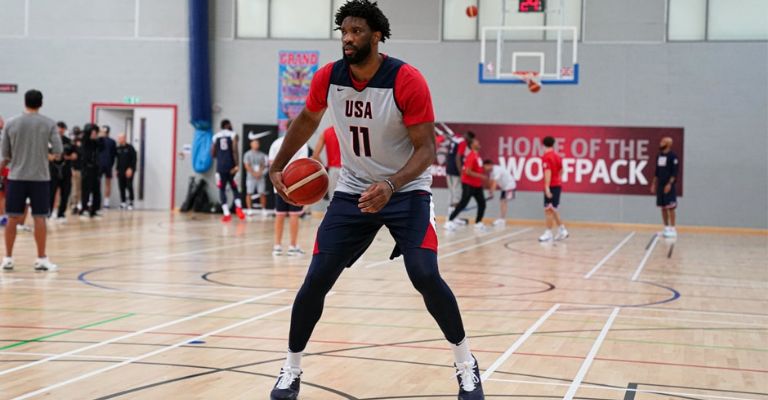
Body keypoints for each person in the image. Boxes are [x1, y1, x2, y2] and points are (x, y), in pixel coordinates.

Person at [267, 2, 483, 398]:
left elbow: (426, 150)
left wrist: (391, 185)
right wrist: (278, 164)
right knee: (315, 280)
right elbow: (308, 120)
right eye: (344, 31)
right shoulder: (328, 78)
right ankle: (291, 368)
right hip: (352, 189)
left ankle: (465, 363)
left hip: (407, 189)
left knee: (424, 275)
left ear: (377, 35)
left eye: (357, 31)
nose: (348, 39)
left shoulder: (406, 79)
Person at [0, 89, 62, 272]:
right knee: (39, 217)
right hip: (40, 178)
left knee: (12, 216)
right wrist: (45, 156)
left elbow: (5, 154)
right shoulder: (49, 124)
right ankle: (41, 258)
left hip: (16, 177)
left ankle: (8, 258)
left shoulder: (11, 123)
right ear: (41, 103)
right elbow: (58, 152)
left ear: (24, 102)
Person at [269, 125, 309, 256]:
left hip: (279, 185)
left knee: (279, 215)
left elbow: (271, 165)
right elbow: (302, 166)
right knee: (294, 215)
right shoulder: (302, 145)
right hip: (295, 186)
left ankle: (277, 246)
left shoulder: (276, 143)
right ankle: (292, 246)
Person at [444, 138, 488, 231]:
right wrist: (481, 176)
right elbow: (467, 171)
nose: (478, 142)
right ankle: (449, 221)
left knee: (482, 203)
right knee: (463, 203)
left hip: (477, 185)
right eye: (476, 141)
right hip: (469, 184)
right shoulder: (471, 156)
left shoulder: (477, 156)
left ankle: (478, 223)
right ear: (472, 145)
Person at [212, 119, 245, 222]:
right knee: (235, 188)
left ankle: (226, 213)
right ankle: (238, 208)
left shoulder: (215, 136)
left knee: (222, 189)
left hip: (220, 167)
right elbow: (235, 150)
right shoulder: (233, 135)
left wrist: (220, 155)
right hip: (231, 167)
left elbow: (212, 153)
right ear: (228, 125)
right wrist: (237, 165)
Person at [539, 136, 568, 242]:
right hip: (557, 185)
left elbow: (548, 172)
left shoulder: (546, 157)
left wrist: (547, 187)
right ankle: (562, 230)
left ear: (543, 144)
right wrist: (557, 179)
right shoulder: (557, 156)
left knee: (548, 210)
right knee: (554, 209)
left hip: (551, 186)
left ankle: (548, 233)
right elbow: (562, 170)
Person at [651, 136, 679, 238]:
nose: (660, 143)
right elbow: (657, 171)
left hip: (668, 185)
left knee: (670, 207)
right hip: (660, 185)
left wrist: (669, 184)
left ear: (668, 144)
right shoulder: (659, 156)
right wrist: (654, 183)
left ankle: (673, 228)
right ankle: (666, 228)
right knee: (663, 207)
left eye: (662, 142)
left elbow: (674, 172)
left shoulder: (673, 157)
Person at [49, 121, 76, 220]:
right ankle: (49, 213)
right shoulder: (49, 140)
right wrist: (52, 157)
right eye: (58, 128)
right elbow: (44, 154)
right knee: (51, 192)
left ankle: (61, 213)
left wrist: (68, 157)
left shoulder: (69, 141)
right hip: (53, 170)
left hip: (65, 170)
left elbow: (75, 155)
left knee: (65, 192)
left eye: (62, 128)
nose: (60, 130)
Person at [80, 123, 104, 219]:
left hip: (96, 169)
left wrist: (101, 137)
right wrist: (90, 132)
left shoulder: (96, 142)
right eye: (92, 132)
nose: (94, 134)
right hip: (87, 169)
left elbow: (102, 147)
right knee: (86, 190)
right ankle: (84, 209)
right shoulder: (85, 141)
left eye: (95, 133)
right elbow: (85, 138)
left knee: (96, 190)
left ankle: (95, 210)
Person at [311, 126, 342, 199]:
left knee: (333, 199)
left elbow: (315, 155)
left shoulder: (326, 132)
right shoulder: (349, 130)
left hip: (333, 170)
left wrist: (324, 169)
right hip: (349, 170)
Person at [484, 159, 516, 226]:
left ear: (490, 165)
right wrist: (490, 191)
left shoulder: (497, 170)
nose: (485, 169)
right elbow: (491, 181)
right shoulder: (491, 172)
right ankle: (502, 219)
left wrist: (492, 192)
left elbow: (495, 182)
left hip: (510, 185)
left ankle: (502, 220)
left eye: (485, 167)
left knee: (503, 201)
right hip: (505, 187)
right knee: (502, 201)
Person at [115, 133, 137, 210]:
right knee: (121, 186)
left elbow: (134, 159)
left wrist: (131, 168)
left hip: (129, 171)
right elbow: (117, 160)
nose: (119, 140)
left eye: (120, 138)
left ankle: (131, 202)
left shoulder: (130, 148)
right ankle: (123, 202)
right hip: (120, 170)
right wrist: (117, 169)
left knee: (129, 185)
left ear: (124, 138)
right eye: (118, 138)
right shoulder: (118, 149)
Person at [98, 125, 117, 209]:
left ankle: (106, 202)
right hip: (103, 164)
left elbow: (113, 154)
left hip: (105, 165)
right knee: (99, 183)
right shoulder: (99, 140)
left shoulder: (111, 142)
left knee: (106, 183)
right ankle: (103, 202)